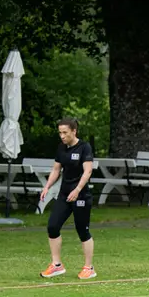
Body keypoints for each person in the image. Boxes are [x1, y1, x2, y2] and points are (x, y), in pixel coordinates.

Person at [39, 118, 97, 279]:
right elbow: (56, 169)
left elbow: (88, 171)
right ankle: (57, 265)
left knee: (82, 230)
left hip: (81, 196)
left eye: (65, 132)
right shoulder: (61, 148)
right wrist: (47, 187)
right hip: (64, 194)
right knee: (52, 226)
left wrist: (78, 190)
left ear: (74, 131)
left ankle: (89, 267)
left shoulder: (84, 147)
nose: (62, 136)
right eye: (60, 133)